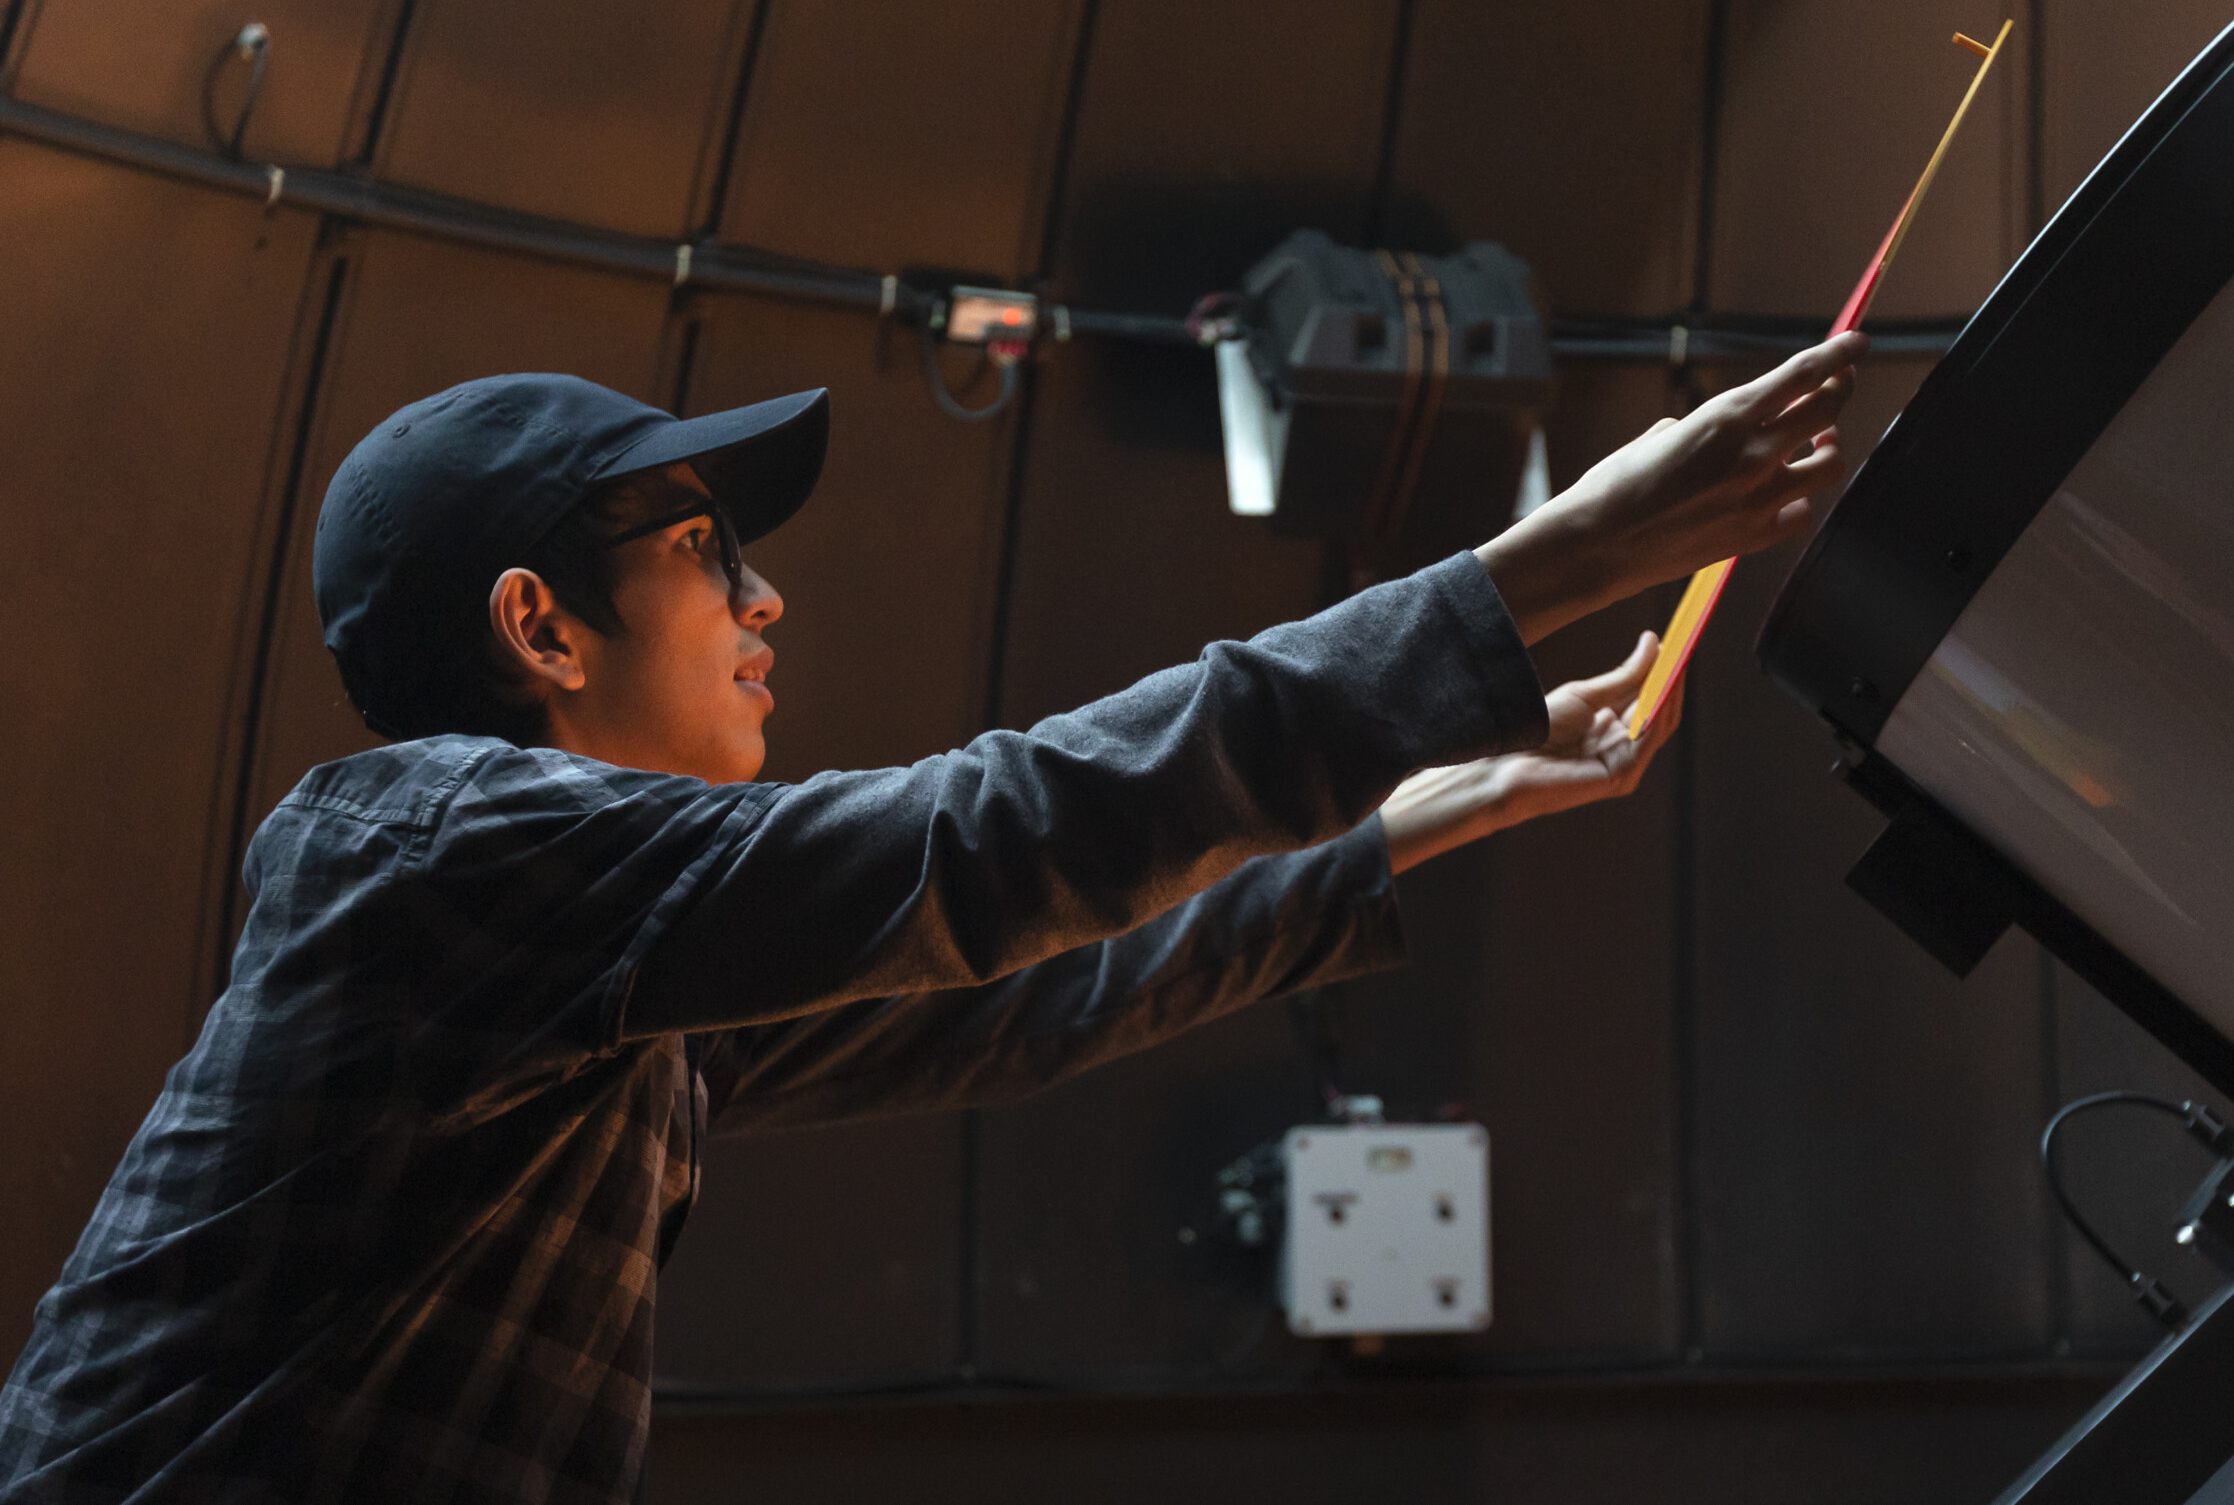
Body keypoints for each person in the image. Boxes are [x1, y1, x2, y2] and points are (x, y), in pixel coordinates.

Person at [0, 332, 1861, 1502]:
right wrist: (1538, 568)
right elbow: (993, 839)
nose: (764, 600)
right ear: (539, 628)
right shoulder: (434, 847)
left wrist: (1427, 805)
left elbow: (1013, 994)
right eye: (701, 548)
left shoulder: (576, 963)